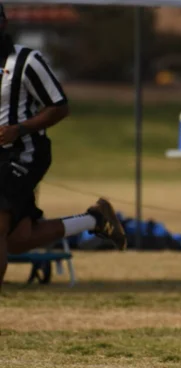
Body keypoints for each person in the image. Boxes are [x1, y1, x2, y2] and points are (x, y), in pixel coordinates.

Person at [0, 4, 126, 291]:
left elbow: (59, 107)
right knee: (18, 240)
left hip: (24, 151)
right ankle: (95, 219)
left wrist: (19, 129)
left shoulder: (26, 61)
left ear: (3, 25)